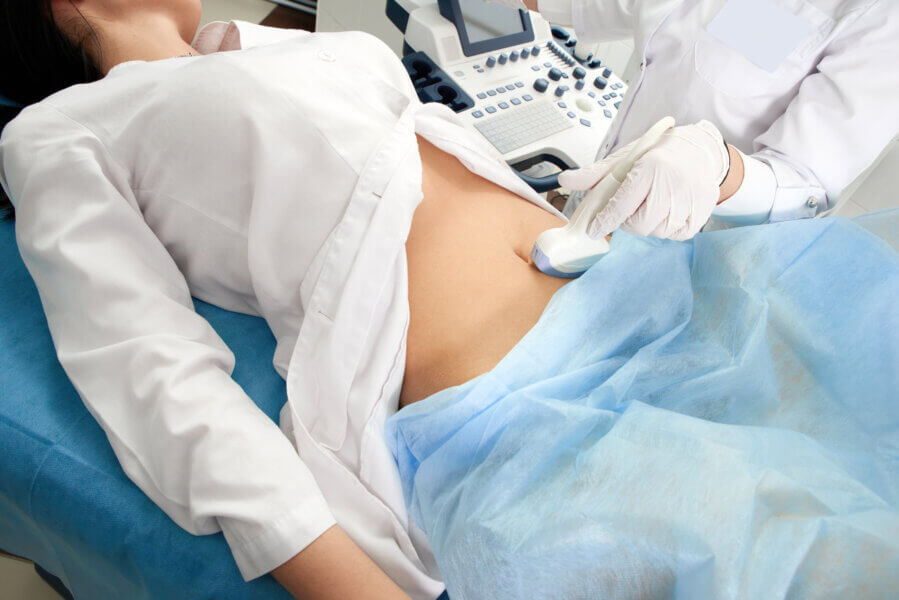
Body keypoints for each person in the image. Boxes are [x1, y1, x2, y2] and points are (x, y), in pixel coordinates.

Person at [0, 1, 574, 599]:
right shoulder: (58, 128)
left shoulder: (268, 44)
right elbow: (151, 370)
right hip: (520, 402)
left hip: (629, 286)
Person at [491, 0, 899, 239]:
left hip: (689, 262)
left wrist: (716, 167)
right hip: (591, 212)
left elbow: (805, 188)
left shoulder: (879, 16)